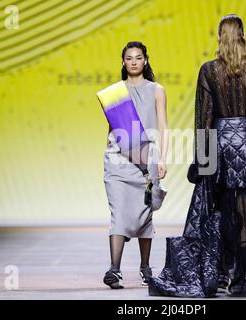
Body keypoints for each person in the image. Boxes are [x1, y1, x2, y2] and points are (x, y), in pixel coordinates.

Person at [148, 14, 246, 297]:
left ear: (220, 37)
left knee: (220, 214)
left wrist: (202, 161)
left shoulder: (209, 71)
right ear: (244, 36)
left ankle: (222, 273)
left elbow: (204, 120)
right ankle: (244, 279)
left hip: (221, 149)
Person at [102, 41, 168, 289]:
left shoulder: (157, 90)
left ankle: (145, 267)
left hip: (146, 158)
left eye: (138, 57)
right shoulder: (115, 93)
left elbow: (163, 126)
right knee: (118, 213)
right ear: (123, 62)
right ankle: (114, 269)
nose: (133, 62)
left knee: (144, 215)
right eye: (128, 58)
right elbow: (112, 128)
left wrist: (162, 157)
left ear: (145, 61)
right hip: (117, 160)